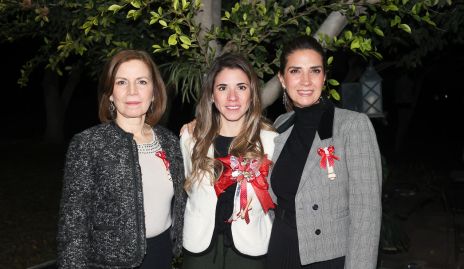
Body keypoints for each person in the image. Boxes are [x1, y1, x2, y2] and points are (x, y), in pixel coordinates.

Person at [57, 50, 186, 268]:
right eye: (122, 82)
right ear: (110, 93)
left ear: (154, 92)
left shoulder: (170, 142)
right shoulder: (89, 144)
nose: (132, 91)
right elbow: (73, 226)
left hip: (162, 256)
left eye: (142, 82)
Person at [266, 35, 382, 269]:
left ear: (324, 77)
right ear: (282, 79)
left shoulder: (352, 126)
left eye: (315, 71)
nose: (306, 81)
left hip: (328, 257)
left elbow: (366, 215)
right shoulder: (280, 124)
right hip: (280, 249)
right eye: (296, 71)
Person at [180, 53, 278, 269]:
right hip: (200, 249)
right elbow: (189, 189)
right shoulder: (190, 139)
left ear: (252, 94)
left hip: (250, 249)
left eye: (241, 87)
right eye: (223, 88)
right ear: (212, 96)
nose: (232, 97)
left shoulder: (271, 143)